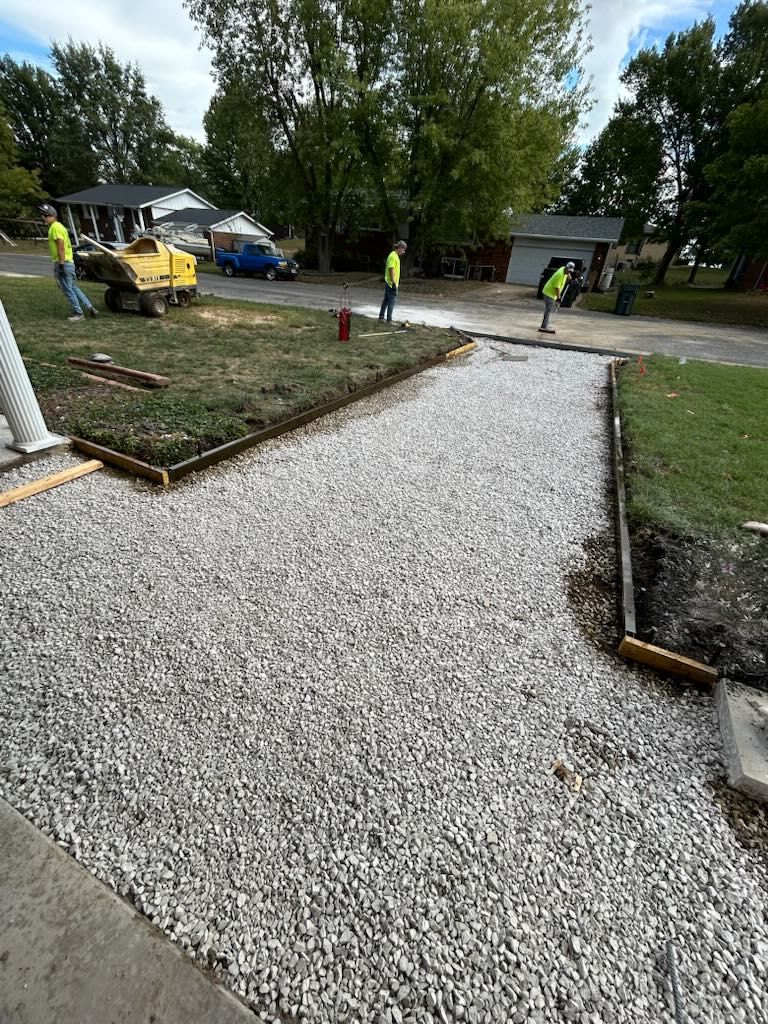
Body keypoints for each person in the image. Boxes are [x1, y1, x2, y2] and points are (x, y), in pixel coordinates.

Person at [39, 203, 97, 322]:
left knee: (67, 289)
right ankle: (90, 307)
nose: (43, 217)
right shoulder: (59, 227)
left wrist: (60, 264)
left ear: (52, 216)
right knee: (73, 287)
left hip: (64, 262)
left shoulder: (55, 228)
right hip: (68, 262)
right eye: (43, 215)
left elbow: (60, 246)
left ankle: (78, 313)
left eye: (45, 215)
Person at [538, 261, 574, 335]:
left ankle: (545, 324)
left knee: (549, 309)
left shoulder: (564, 269)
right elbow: (556, 289)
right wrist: (559, 298)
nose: (569, 272)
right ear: (566, 268)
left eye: (570, 271)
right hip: (549, 293)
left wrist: (569, 277)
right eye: (569, 270)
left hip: (551, 293)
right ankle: (544, 326)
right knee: (549, 310)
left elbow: (567, 273)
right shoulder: (559, 275)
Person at [379, 240, 407, 323]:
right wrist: (394, 283)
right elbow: (391, 270)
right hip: (391, 284)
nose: (404, 252)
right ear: (400, 248)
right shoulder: (393, 256)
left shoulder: (395, 256)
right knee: (391, 301)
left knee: (386, 300)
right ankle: (389, 320)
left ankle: (381, 317)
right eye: (404, 250)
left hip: (391, 283)